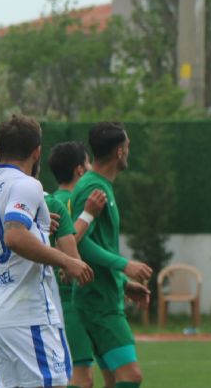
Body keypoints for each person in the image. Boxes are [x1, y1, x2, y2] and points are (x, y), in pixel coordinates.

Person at [0, 115, 94, 388]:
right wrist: (67, 261)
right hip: (26, 313)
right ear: (37, 152)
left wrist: (38, 229)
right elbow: (14, 236)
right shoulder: (27, 184)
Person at [71, 122, 154, 388]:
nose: (129, 151)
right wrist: (125, 265)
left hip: (103, 294)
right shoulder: (93, 187)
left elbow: (97, 242)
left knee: (111, 379)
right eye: (128, 146)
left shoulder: (101, 185)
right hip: (98, 303)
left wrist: (121, 283)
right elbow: (79, 245)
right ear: (120, 152)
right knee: (131, 376)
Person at [48, 141, 111, 388]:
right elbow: (68, 245)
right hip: (69, 302)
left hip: (66, 301)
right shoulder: (65, 202)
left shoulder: (52, 199)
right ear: (79, 170)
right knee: (82, 376)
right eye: (87, 162)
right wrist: (88, 214)